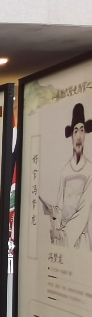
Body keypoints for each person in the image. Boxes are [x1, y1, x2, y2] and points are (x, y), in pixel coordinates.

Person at [50, 103, 92, 248]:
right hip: (62, 236)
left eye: (82, 130)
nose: (79, 136)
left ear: (85, 135)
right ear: (72, 136)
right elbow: (60, 206)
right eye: (75, 131)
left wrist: (63, 235)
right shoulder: (65, 171)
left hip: (80, 239)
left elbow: (84, 211)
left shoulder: (89, 170)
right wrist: (53, 212)